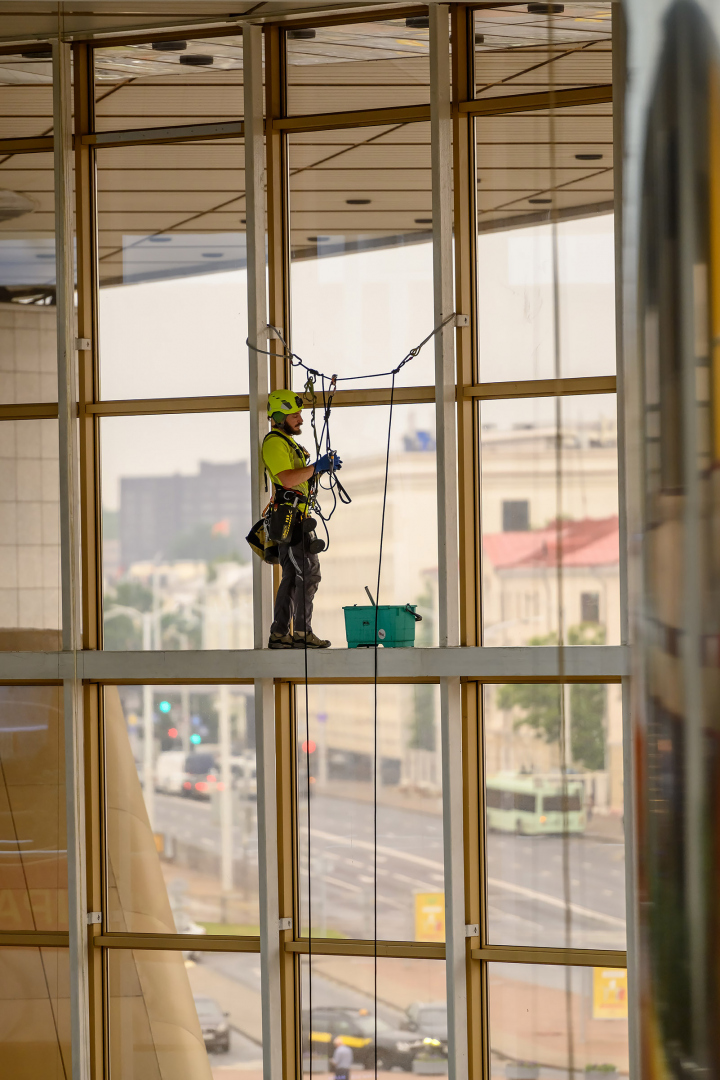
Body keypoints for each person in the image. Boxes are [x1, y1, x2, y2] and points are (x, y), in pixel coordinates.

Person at [262, 389, 342, 650]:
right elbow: (286, 479)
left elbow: (296, 479)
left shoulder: (288, 443)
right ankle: (301, 633)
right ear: (279, 416)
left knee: (292, 576)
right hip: (291, 519)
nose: (300, 419)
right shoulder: (275, 443)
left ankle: (281, 633)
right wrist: (315, 468)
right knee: (308, 574)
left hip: (295, 517)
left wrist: (318, 470)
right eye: (294, 415)